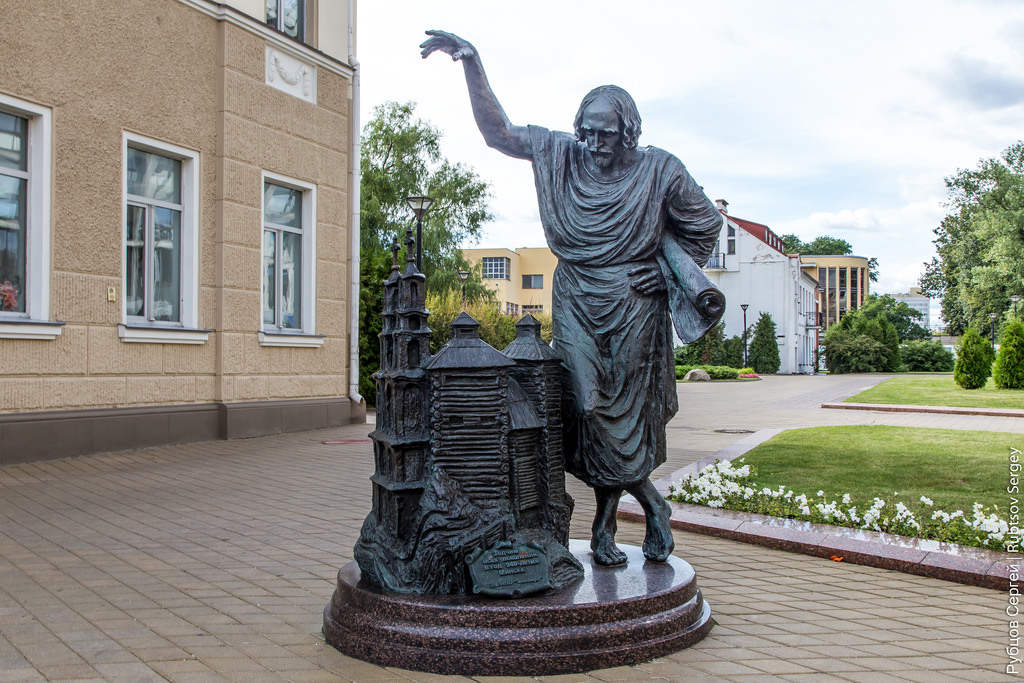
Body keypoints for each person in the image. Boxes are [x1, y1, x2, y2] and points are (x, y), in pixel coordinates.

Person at [421, 31, 724, 566]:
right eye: (587, 131)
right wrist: (472, 64)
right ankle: (651, 502)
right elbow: (499, 133)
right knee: (585, 407)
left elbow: (706, 225)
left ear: (628, 132)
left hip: (634, 304)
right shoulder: (562, 152)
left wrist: (664, 273)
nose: (593, 142)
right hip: (577, 296)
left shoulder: (661, 170)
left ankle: (606, 523)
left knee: (625, 419)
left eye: (605, 134)